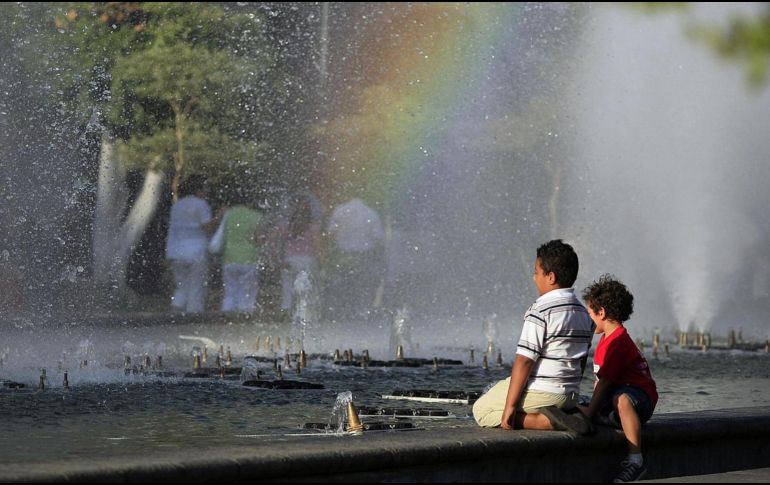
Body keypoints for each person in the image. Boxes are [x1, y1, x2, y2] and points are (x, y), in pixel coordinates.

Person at [472, 239, 595, 433]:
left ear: (551, 277)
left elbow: (524, 361)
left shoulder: (540, 310)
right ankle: (568, 413)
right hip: (571, 394)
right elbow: (581, 360)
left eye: (536, 272)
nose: (533, 277)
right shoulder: (584, 313)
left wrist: (510, 407)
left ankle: (544, 422)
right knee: (503, 387)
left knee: (482, 409)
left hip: (545, 392)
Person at [578, 275, 658, 483]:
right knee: (578, 401)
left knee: (620, 400)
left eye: (590, 314)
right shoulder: (606, 339)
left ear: (601, 312)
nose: (588, 320)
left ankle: (635, 460)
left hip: (638, 398)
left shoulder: (617, 342)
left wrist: (589, 412)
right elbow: (601, 383)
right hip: (617, 395)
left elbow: (604, 383)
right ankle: (607, 418)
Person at [165, 175, 222, 313]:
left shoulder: (177, 205)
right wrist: (219, 217)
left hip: (176, 251)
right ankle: (193, 316)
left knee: (182, 286)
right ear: (198, 190)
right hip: (196, 251)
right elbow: (207, 227)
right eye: (205, 189)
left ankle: (175, 313)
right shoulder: (200, 204)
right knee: (196, 286)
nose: (206, 192)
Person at [323, 197, 385, 319]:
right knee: (361, 282)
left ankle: (344, 309)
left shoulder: (340, 210)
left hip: (343, 253)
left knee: (344, 282)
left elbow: (330, 232)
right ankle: (361, 310)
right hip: (363, 254)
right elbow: (378, 236)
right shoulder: (371, 213)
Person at [217, 195, 262, 313]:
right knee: (246, 293)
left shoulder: (228, 214)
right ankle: (244, 318)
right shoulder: (255, 216)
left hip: (229, 258)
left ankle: (226, 317)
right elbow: (258, 239)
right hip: (249, 258)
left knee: (230, 292)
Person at [279, 194, 322, 312]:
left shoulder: (285, 225)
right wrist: (321, 260)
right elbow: (317, 245)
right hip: (307, 260)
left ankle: (286, 310)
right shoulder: (313, 226)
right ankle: (305, 311)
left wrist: (278, 259)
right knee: (307, 288)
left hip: (289, 259)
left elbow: (275, 241)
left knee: (287, 288)